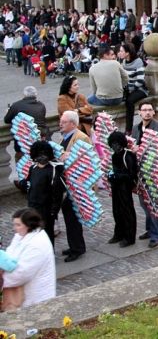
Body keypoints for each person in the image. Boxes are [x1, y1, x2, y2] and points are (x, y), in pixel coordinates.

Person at [132, 101, 158, 248]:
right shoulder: (135, 128)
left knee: (155, 203)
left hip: (154, 171)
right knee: (144, 203)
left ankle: (157, 235)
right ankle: (150, 229)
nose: (147, 112)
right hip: (140, 172)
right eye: (144, 110)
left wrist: (140, 149)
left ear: (153, 112)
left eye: (149, 110)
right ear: (139, 113)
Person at [1, 208, 56, 310]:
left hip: (35, 299)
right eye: (14, 224)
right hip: (24, 295)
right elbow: (10, 255)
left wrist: (2, 279)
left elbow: (21, 274)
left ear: (29, 225)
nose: (15, 228)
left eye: (18, 225)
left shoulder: (38, 245)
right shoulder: (20, 236)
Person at [57, 110, 91, 262]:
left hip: (76, 185)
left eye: (63, 122)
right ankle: (74, 245)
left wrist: (67, 157)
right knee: (69, 217)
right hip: (67, 184)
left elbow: (87, 159)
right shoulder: (65, 137)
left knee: (74, 218)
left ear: (72, 124)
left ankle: (77, 248)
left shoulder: (81, 137)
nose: (60, 124)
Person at [24, 141, 64, 248]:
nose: (42, 156)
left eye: (44, 153)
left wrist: (54, 211)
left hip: (46, 208)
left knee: (47, 233)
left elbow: (57, 193)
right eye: (40, 153)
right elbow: (30, 184)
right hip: (33, 205)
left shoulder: (53, 170)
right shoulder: (33, 168)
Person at [106, 131, 137, 247]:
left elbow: (132, 174)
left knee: (127, 211)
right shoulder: (114, 156)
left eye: (117, 144)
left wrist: (118, 175)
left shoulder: (128, 156)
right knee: (117, 211)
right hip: (116, 186)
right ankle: (119, 233)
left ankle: (129, 237)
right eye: (113, 144)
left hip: (125, 187)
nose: (115, 146)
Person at [118, 43, 148, 133]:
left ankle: (128, 129)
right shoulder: (123, 62)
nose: (120, 53)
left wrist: (130, 89)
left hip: (140, 89)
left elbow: (140, 80)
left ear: (127, 53)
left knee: (129, 101)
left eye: (121, 51)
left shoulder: (138, 62)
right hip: (128, 88)